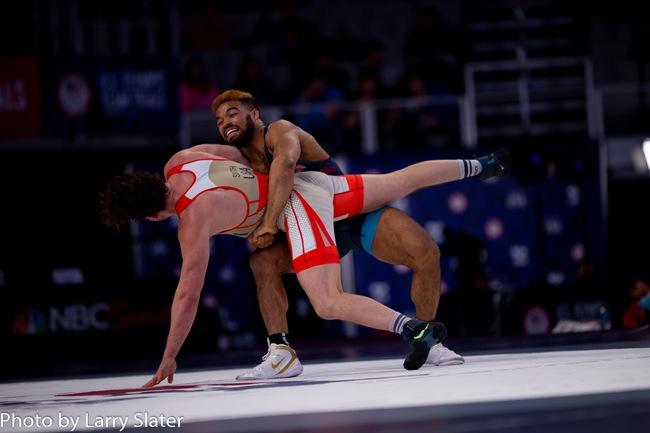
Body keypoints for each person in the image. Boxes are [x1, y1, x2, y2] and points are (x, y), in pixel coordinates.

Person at [99, 143, 510, 387]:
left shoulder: (193, 221)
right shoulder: (181, 158)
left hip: (299, 207)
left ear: (151, 216)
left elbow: (188, 292)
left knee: (327, 302)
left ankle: (414, 328)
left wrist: (170, 354)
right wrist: (280, 169)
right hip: (311, 182)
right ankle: (482, 165)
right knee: (400, 179)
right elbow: (246, 154)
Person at [211, 90, 505, 380]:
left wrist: (268, 223)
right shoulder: (238, 165)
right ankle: (280, 349)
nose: (225, 121)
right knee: (263, 263)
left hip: (352, 214)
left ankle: (426, 340)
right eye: (219, 119)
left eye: (232, 112)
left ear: (255, 113)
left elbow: (286, 166)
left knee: (425, 251)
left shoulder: (279, 130)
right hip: (313, 226)